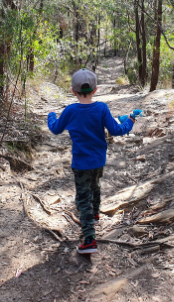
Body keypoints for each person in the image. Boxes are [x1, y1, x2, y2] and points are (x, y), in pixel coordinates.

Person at [47, 69, 141, 254]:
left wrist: (51, 115)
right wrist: (130, 120)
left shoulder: (70, 111)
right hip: (98, 161)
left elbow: (56, 129)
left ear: (73, 91)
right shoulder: (102, 108)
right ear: (95, 89)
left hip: (81, 163)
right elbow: (116, 130)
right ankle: (95, 212)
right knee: (95, 185)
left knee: (83, 197)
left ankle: (89, 238)